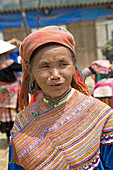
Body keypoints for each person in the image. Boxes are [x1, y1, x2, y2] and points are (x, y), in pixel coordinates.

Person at [8, 26, 113, 170]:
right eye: (45, 66)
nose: (55, 74)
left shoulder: (100, 114)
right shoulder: (23, 122)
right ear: (30, 71)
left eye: (63, 64)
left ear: (74, 65)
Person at [0, 40, 22, 141]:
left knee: (5, 112)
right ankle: (14, 136)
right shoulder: (9, 63)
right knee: (14, 111)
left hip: (2, 91)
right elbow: (22, 68)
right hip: (12, 91)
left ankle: (8, 135)